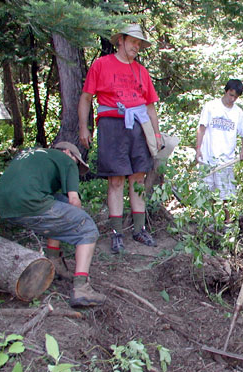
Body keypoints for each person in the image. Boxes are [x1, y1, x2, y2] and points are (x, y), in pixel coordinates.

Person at [0, 142, 106, 308]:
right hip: (32, 204)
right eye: (77, 162)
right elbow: (73, 201)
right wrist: (79, 219)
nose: (75, 166)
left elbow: (1, 192)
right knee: (87, 228)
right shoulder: (66, 160)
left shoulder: (26, 156)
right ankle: (81, 288)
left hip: (7, 211)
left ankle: (54, 262)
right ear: (68, 152)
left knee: (59, 205)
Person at [78, 24, 162, 254]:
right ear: (121, 41)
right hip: (112, 125)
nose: (136, 46)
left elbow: (150, 106)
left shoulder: (141, 71)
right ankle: (116, 233)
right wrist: (84, 127)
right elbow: (86, 98)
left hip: (139, 126)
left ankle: (139, 229)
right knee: (115, 180)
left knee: (138, 177)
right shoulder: (101, 65)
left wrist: (156, 134)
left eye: (139, 43)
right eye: (133, 41)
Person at [195, 79, 243, 223]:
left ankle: (228, 222)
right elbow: (201, 128)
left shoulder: (238, 113)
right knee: (206, 192)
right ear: (226, 91)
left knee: (226, 194)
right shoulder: (211, 106)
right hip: (207, 158)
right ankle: (208, 221)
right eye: (231, 95)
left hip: (226, 161)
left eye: (235, 97)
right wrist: (198, 149)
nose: (232, 99)